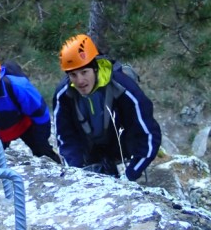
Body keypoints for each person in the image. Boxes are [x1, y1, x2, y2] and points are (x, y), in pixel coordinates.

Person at [52, 34, 161, 180]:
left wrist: (131, 173)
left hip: (124, 155)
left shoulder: (123, 88)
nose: (80, 81)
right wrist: (75, 172)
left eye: (84, 72)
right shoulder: (64, 95)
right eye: (73, 75)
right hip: (89, 154)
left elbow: (149, 134)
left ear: (95, 68)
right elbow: (66, 137)